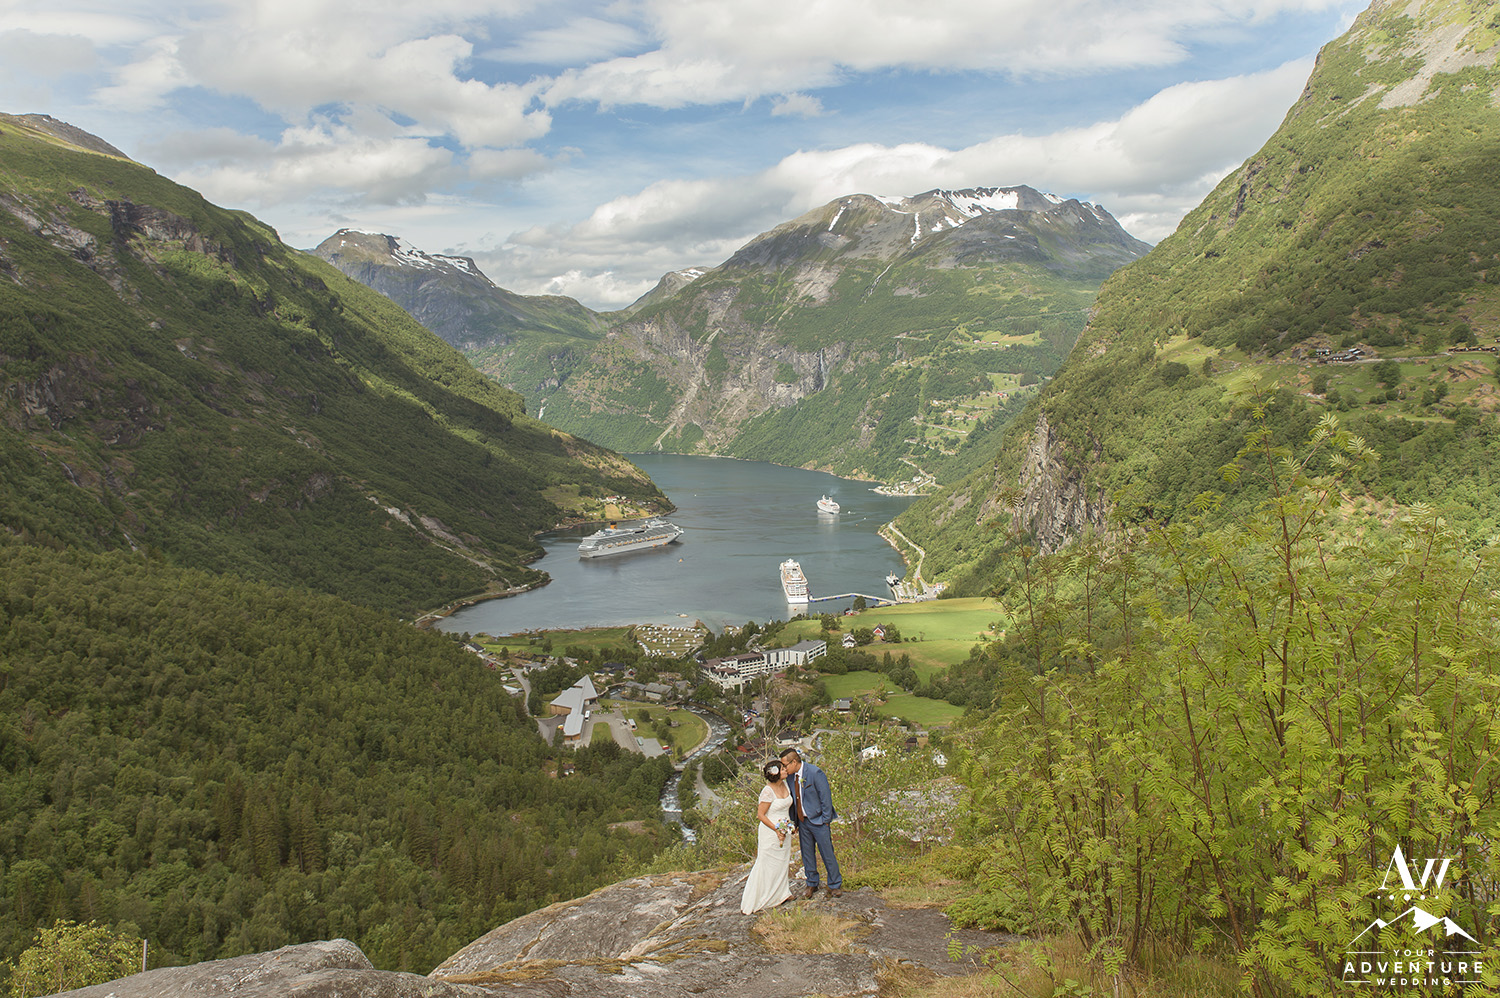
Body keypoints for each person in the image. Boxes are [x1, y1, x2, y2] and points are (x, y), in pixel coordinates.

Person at [780, 747, 842, 898]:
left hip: (819, 821)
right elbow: (793, 801)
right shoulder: (790, 777)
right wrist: (794, 822)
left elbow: (825, 797)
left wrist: (825, 820)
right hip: (803, 822)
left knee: (827, 853)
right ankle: (812, 883)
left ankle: (834, 885)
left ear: (794, 762)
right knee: (807, 854)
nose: (784, 769)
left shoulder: (815, 773)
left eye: (785, 765)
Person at [740, 759, 795, 914]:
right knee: (768, 863)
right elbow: (761, 815)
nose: (785, 770)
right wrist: (776, 829)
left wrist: (787, 827)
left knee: (782, 862)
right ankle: (761, 897)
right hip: (770, 831)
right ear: (775, 774)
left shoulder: (786, 785)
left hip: (785, 828)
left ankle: (782, 893)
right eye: (782, 769)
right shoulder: (767, 791)